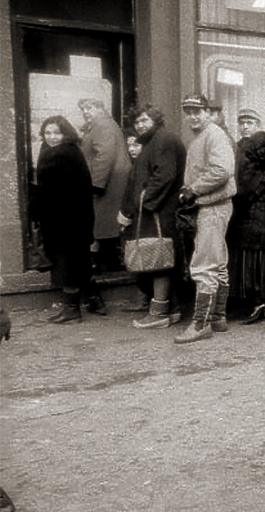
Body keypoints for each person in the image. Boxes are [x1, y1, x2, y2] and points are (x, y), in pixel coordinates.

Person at [174, 94, 236, 344]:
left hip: (213, 206)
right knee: (218, 263)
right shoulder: (203, 136)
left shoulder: (214, 135)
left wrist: (193, 189)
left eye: (197, 111)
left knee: (204, 265)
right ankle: (218, 317)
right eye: (188, 111)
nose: (192, 116)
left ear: (209, 112)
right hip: (213, 205)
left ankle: (201, 324)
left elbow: (222, 170)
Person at [117, 104, 187, 329]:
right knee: (160, 258)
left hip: (160, 212)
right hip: (156, 211)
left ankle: (158, 313)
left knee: (159, 260)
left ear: (156, 120)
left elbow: (164, 175)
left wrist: (145, 203)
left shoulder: (163, 140)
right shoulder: (152, 141)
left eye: (144, 120)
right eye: (137, 122)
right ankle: (172, 309)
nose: (140, 125)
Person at [31, 116, 101, 323]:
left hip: (65, 220)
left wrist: (35, 211)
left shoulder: (58, 155)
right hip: (75, 218)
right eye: (47, 133)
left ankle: (72, 310)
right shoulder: (71, 151)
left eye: (56, 133)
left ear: (66, 134)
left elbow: (48, 192)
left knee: (67, 263)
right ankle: (94, 300)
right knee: (78, 260)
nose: (52, 137)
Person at [226, 131, 265, 324]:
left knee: (252, 267)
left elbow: (243, 195)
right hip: (262, 224)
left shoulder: (255, 170)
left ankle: (260, 305)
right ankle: (259, 304)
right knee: (258, 267)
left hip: (252, 224)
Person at [78, 97, 131, 274]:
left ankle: (99, 263)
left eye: (90, 107)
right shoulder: (103, 125)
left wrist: (96, 184)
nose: (86, 112)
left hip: (107, 183)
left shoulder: (102, 125)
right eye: (83, 109)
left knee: (99, 224)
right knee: (105, 225)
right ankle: (108, 261)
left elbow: (104, 154)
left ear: (101, 108)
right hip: (112, 181)